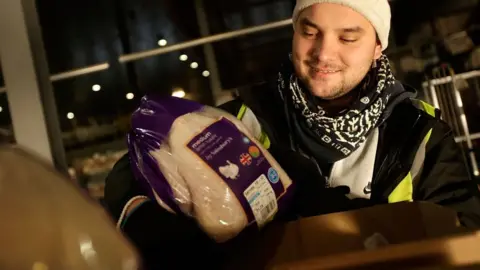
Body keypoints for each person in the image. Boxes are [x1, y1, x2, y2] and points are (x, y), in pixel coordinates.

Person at [104, 0, 480, 268]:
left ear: (378, 46)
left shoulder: (419, 135)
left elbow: (464, 233)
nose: (323, 53)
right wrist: (153, 221)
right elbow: (132, 174)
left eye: (348, 38)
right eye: (309, 31)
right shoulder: (247, 119)